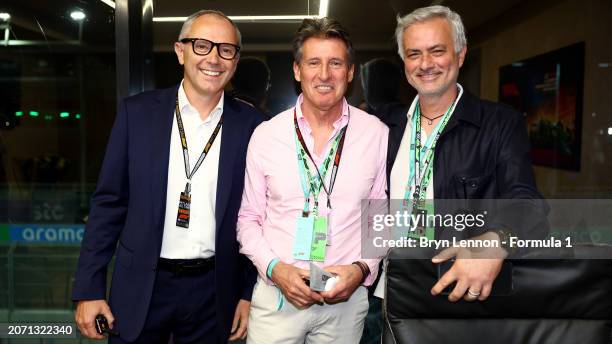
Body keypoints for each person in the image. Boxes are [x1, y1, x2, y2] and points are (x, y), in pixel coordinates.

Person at [72, 10, 264, 343]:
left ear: (235, 61)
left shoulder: (253, 127)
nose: (214, 58)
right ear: (180, 51)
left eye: (226, 49)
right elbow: (108, 204)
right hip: (142, 285)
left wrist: (248, 293)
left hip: (215, 291)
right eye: (202, 45)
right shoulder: (137, 114)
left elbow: (257, 217)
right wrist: (89, 287)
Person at [375, 5, 548, 303]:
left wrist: (495, 241)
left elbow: (527, 203)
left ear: (460, 54)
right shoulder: (385, 125)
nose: (425, 64)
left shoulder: (498, 123)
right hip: (388, 292)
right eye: (414, 54)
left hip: (462, 292)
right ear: (404, 62)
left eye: (437, 50)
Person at [236, 17, 388, 344]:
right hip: (278, 298)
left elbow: (381, 218)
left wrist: (362, 268)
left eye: (335, 63)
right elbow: (248, 219)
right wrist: (277, 269)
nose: (324, 74)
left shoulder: (376, 134)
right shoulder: (266, 136)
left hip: (344, 301)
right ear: (296, 70)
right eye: (313, 62)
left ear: (349, 71)